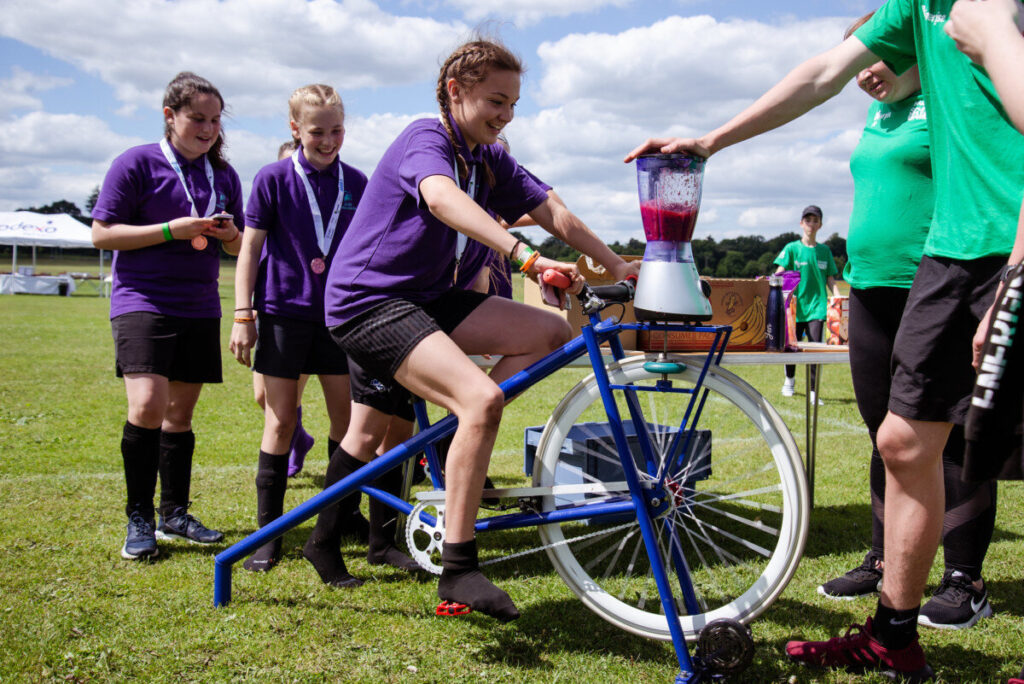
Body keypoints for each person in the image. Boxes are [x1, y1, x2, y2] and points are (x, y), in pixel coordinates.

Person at [625, 0, 1024, 678]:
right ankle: (894, 635)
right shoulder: (917, 7)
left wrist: (992, 35)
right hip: (953, 249)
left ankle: (959, 587)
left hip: (1011, 242)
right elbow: (822, 74)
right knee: (903, 441)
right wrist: (710, 140)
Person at [312, 37, 639, 619]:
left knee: (549, 336)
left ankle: (455, 433)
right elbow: (440, 200)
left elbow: (552, 209)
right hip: (368, 302)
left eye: (513, 104)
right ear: (455, 91)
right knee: (481, 400)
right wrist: (527, 258)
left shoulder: (488, 155)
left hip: (430, 299)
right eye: (496, 101)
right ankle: (459, 569)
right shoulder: (427, 137)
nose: (506, 116)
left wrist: (615, 264)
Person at [816, 13, 998, 636]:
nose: (867, 71)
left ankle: (963, 578)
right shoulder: (877, 116)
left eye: (879, 57)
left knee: (943, 434)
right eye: (858, 59)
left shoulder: (949, 100)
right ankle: (886, 560)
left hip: (938, 283)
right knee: (886, 433)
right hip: (869, 286)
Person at [91, 71, 243, 560]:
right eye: (198, 118)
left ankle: (174, 513)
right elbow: (102, 235)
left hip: (199, 304)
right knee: (147, 408)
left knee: (180, 414)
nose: (207, 128)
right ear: (170, 115)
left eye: (215, 120)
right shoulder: (135, 163)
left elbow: (241, 246)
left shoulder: (225, 175)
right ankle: (139, 518)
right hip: (142, 299)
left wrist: (229, 236)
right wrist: (168, 230)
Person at [229, 85, 367, 573]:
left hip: (338, 319)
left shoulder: (358, 182)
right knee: (280, 421)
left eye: (336, 131)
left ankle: (341, 517)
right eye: (316, 132)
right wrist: (243, 315)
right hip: (283, 315)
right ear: (294, 129)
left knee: (346, 425)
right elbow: (248, 250)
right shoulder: (271, 179)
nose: (328, 141)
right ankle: (269, 534)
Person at [250, 140, 317, 480]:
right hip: (269, 306)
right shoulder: (272, 190)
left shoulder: (319, 206)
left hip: (303, 309)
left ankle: (293, 440)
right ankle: (299, 437)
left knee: (282, 402)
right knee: (262, 396)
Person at [773, 204, 840, 402]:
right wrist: (769, 284)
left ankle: (813, 392)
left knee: (815, 349)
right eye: (807, 220)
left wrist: (838, 299)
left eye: (815, 220)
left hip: (817, 308)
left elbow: (830, 279)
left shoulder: (825, 251)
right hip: (794, 308)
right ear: (801, 223)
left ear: (820, 225)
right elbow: (780, 271)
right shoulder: (792, 248)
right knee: (791, 347)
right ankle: (789, 381)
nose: (811, 224)